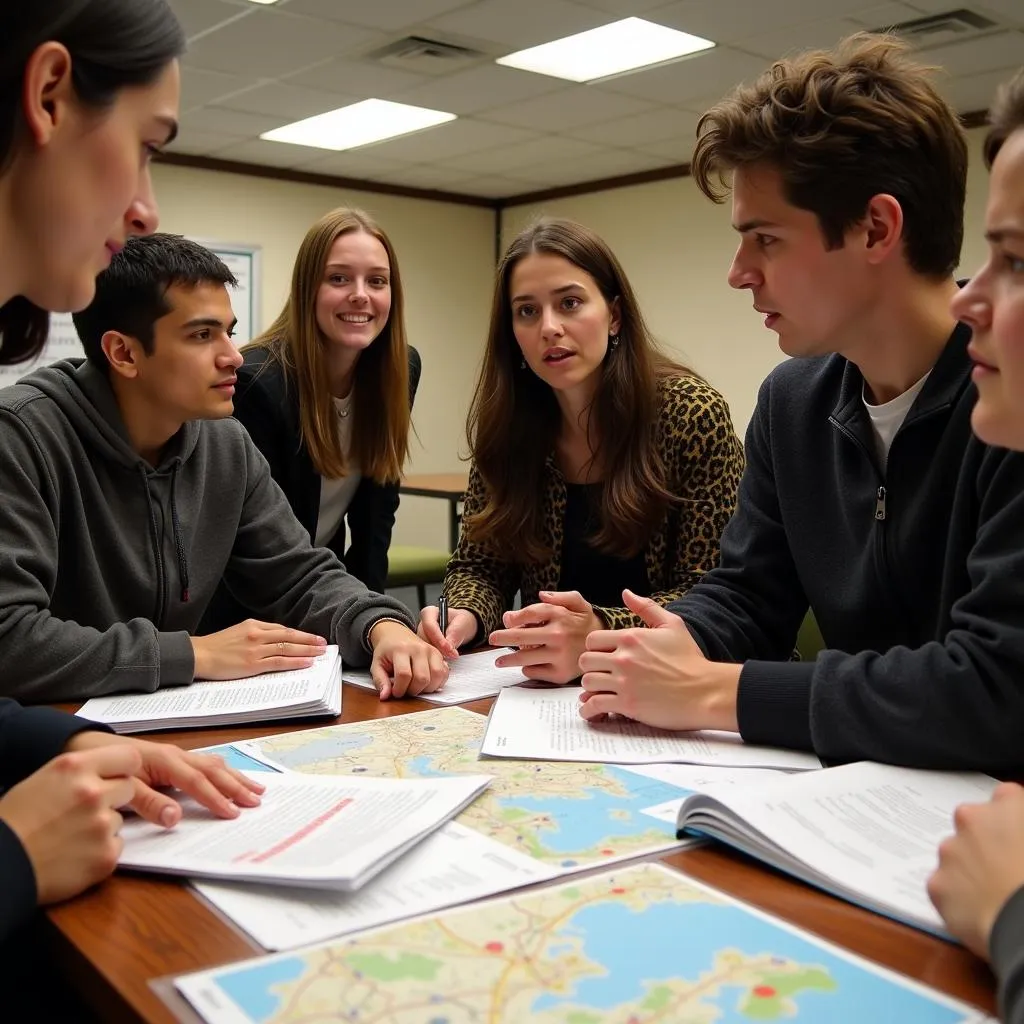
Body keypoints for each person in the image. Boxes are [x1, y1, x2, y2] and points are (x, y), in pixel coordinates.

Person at [577, 33, 1024, 771]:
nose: (738, 273)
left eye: (766, 240)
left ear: (876, 228)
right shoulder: (793, 402)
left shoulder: (1007, 402)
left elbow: (990, 685)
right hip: (860, 797)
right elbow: (752, 594)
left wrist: (720, 694)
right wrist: (660, 643)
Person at [0, 0, 261, 1003]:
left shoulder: (225, 447)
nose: (147, 207)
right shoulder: (27, 431)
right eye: (147, 149)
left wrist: (70, 742)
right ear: (50, 94)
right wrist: (16, 851)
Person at [0, 232, 447, 706]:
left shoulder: (224, 442)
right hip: (41, 738)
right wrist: (192, 655)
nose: (233, 356)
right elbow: (10, 638)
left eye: (228, 332)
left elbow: (298, 576)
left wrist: (380, 625)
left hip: (157, 717)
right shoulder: (21, 437)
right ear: (124, 353)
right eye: (200, 335)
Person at [418, 218, 744, 683]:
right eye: (527, 311)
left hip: (684, 683)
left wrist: (598, 629)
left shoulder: (689, 414)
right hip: (553, 697)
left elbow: (715, 594)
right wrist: (463, 615)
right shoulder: (509, 429)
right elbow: (481, 566)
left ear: (613, 315)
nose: (549, 327)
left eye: (569, 303)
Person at [926, 68, 1024, 1024]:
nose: (970, 301)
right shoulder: (796, 403)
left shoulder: (991, 431)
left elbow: (987, 683)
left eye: (1018, 261)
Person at [203, 208, 419, 638]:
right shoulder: (259, 383)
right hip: (247, 612)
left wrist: (374, 619)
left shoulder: (400, 368)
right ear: (308, 289)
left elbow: (377, 513)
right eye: (339, 278)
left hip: (329, 589)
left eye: (377, 281)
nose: (361, 295)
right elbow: (256, 547)